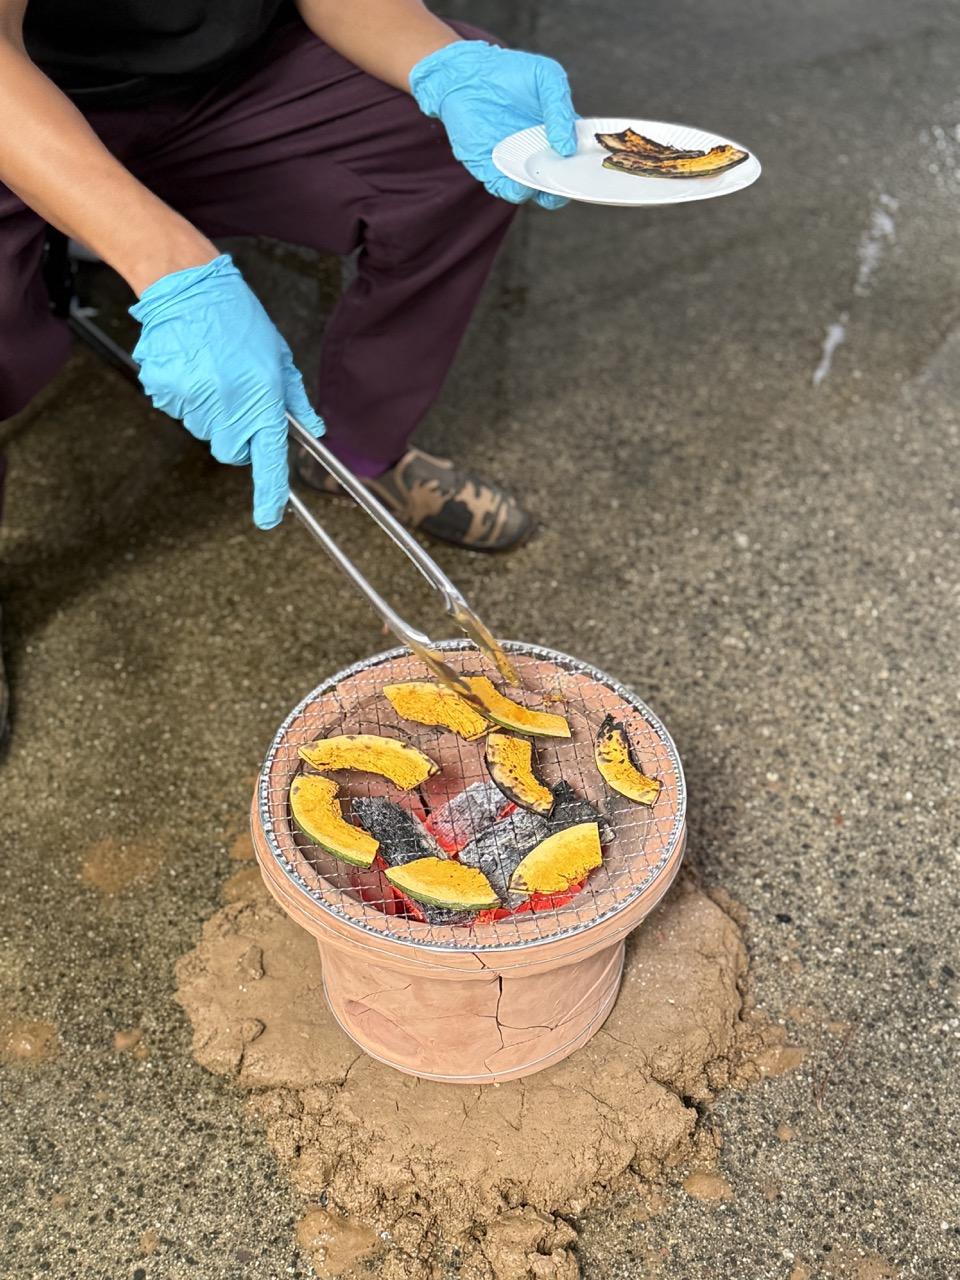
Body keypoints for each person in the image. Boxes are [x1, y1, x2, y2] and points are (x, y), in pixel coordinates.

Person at [0, 0, 578, 742]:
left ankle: (356, 452)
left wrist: (439, 61)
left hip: (234, 76)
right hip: (26, 103)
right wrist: (171, 263)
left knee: (458, 152)